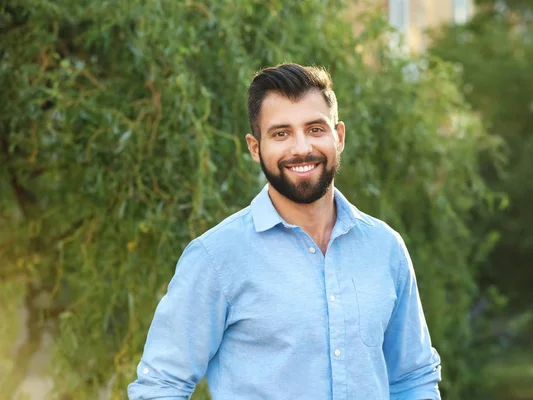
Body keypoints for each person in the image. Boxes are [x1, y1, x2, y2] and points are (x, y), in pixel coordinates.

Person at [128, 63, 442, 400]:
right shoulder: (216, 257)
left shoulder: (385, 248)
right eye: (281, 134)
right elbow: (160, 387)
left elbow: (413, 379)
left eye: (315, 129)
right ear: (254, 147)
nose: (301, 148)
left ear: (339, 136)